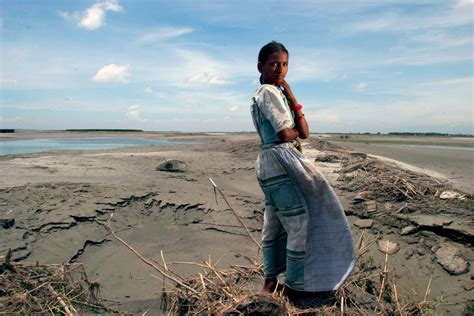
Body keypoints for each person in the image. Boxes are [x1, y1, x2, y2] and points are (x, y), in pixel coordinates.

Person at [250, 41, 356, 307]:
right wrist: (293, 124)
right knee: (301, 221)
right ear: (260, 66)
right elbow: (288, 133)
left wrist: (293, 97)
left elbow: (304, 132)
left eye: (284, 64)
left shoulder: (274, 92)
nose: (280, 69)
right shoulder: (268, 93)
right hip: (281, 160)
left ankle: (270, 281)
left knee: (274, 222)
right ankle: (295, 286)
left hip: (268, 162)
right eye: (274, 63)